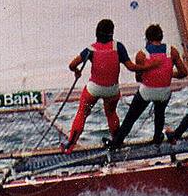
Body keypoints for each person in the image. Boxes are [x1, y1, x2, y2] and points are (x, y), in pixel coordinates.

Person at [63, 18, 146, 152]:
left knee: (82, 113)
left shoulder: (90, 49)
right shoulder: (118, 47)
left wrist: (76, 71)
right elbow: (131, 67)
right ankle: (117, 143)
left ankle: (70, 145)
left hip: (94, 90)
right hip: (111, 91)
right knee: (111, 114)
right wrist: (147, 67)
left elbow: (72, 65)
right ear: (112, 32)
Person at [108, 24, 188, 148]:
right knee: (160, 113)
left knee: (131, 117)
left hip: (147, 91)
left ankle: (117, 142)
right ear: (161, 37)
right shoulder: (171, 51)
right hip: (164, 92)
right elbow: (183, 73)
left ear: (147, 38)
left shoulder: (142, 54)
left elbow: (139, 78)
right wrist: (169, 73)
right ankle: (157, 138)